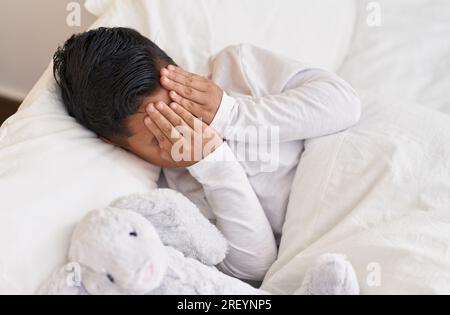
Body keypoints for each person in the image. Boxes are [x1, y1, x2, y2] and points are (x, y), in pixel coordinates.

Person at [53, 27, 361, 282]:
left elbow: (345, 104)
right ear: (118, 144)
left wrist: (231, 112)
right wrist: (215, 163)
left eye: (180, 105)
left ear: (177, 73)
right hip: (328, 245)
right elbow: (255, 267)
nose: (188, 127)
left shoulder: (235, 67)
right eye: (161, 135)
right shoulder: (175, 196)